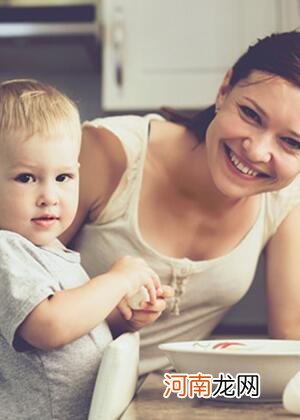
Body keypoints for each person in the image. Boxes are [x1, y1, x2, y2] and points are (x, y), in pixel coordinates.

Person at [62, 30, 300, 374]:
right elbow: (15, 288)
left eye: (291, 142)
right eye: (251, 114)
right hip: (54, 396)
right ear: (224, 90)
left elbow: (291, 338)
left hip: (164, 391)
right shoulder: (107, 154)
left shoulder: (287, 198)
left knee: (245, 391)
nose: (258, 151)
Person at [0, 79, 163, 419]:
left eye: (63, 178)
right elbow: (49, 327)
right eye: (26, 178)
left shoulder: (52, 251)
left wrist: (122, 318)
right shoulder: (5, 250)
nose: (50, 196)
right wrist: (117, 280)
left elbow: (76, 331)